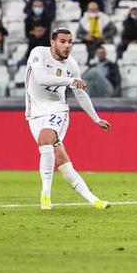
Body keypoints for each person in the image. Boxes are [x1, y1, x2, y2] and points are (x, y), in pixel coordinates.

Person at [24, 27, 111, 211]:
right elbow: (41, 78)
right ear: (53, 42)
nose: (67, 45)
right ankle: (93, 199)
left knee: (45, 140)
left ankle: (45, 195)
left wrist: (95, 119)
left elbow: (80, 94)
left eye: (70, 42)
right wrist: (69, 81)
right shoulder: (38, 53)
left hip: (58, 109)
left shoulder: (71, 65)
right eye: (62, 41)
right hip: (34, 112)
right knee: (61, 159)